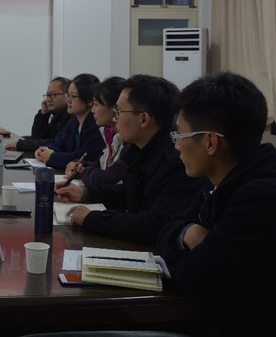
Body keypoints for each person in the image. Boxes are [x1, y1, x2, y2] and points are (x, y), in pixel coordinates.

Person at [157, 72, 276, 336]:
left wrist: (185, 245)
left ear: (210, 142)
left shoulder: (263, 199)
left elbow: (196, 279)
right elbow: (167, 228)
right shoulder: (223, 176)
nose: (176, 146)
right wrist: (189, 233)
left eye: (180, 135)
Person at [55, 74, 201, 245]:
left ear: (144, 119)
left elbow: (155, 224)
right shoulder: (136, 148)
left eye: (118, 112)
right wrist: (86, 193)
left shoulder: (177, 160)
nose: (115, 118)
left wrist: (92, 219)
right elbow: (131, 193)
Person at [63, 76, 127, 187]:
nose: (92, 110)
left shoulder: (128, 142)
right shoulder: (109, 134)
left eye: (96, 104)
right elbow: (98, 165)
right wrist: (81, 165)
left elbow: (108, 178)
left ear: (115, 109)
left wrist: (84, 172)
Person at [33, 73, 105, 170]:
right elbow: (59, 144)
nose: (68, 100)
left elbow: (82, 157)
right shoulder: (74, 122)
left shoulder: (96, 126)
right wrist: (44, 150)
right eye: (68, 95)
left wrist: (51, 157)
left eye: (73, 96)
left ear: (89, 101)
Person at [6, 77, 71, 153]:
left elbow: (55, 143)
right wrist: (43, 114)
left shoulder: (73, 117)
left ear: (67, 95)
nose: (48, 99)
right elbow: (37, 138)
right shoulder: (57, 115)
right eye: (47, 95)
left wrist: (20, 144)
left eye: (53, 95)